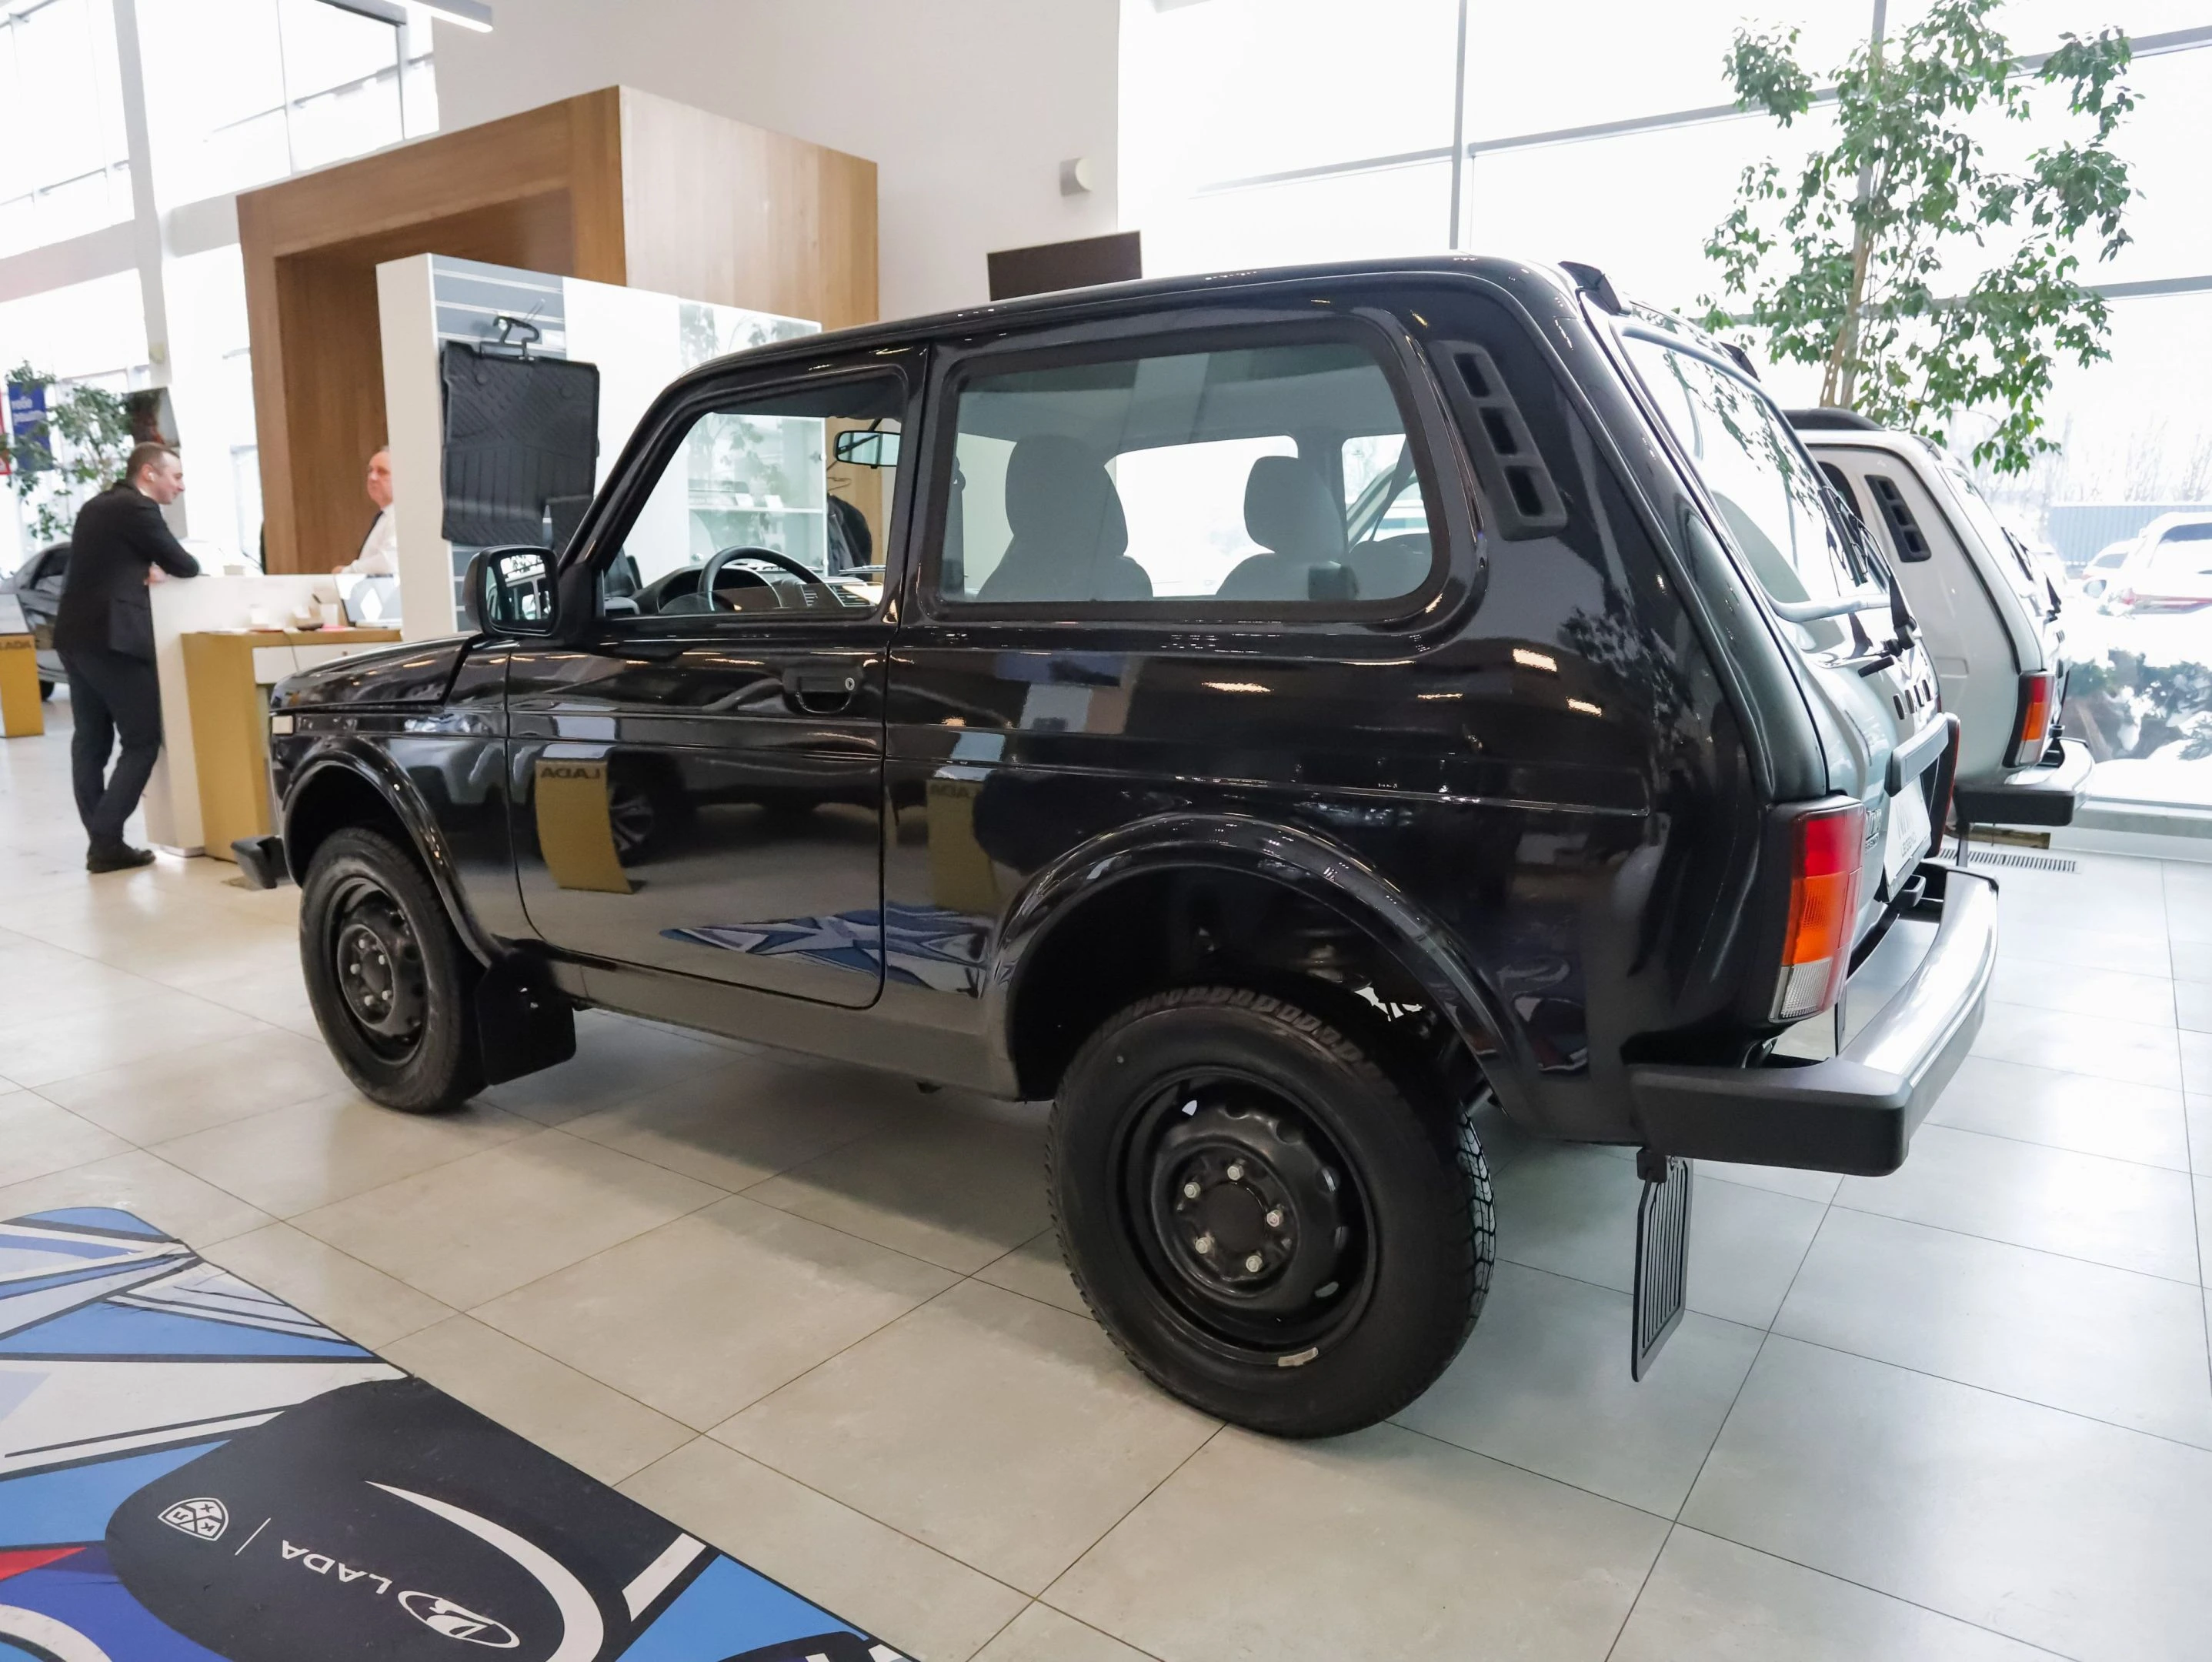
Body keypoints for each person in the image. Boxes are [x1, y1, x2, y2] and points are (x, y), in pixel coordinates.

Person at [53, 442, 200, 872]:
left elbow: (108, 564)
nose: (181, 486)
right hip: (114, 640)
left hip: (75, 637)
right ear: (149, 473)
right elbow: (185, 565)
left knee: (90, 741)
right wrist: (156, 568)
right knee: (142, 739)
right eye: (176, 476)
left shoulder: (96, 506)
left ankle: (103, 842)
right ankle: (105, 839)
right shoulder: (138, 508)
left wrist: (142, 568)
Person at [334, 447, 396, 575]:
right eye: (370, 470)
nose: (372, 477)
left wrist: (346, 572)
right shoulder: (384, 516)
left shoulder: (400, 515)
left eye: (382, 472)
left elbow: (389, 562)